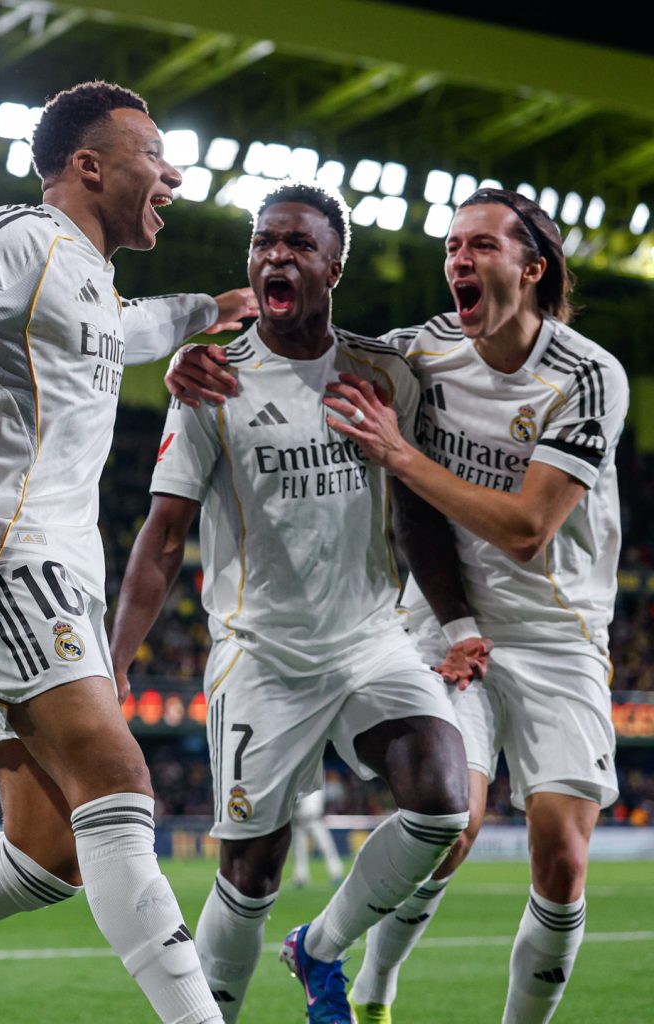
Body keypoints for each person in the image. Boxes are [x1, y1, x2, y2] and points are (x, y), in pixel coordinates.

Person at [0, 79, 257, 1024]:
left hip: (50, 569)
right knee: (122, 777)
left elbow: (119, 328)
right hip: (2, 553)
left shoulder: (86, 273)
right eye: (152, 155)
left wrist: (202, 311)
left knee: (45, 853)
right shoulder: (20, 239)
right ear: (88, 165)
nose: (171, 174)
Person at [111, 181, 477, 1024]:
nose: (276, 255)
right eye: (264, 242)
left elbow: (417, 514)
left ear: (334, 267)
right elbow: (164, 535)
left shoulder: (384, 374)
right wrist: (115, 660)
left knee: (442, 802)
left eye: (299, 244)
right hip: (262, 655)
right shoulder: (210, 382)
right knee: (249, 873)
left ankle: (317, 948)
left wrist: (456, 623)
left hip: (369, 644)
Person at [320, 188, 628, 1024]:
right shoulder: (415, 353)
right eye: (453, 245)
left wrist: (399, 455)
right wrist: (199, 346)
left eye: (482, 245)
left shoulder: (589, 375)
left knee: (562, 857)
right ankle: (373, 989)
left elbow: (528, 530)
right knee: (448, 827)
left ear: (531, 268)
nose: (460, 258)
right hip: (448, 627)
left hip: (558, 635)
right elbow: (300, 349)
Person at [291, 788, 344, 888]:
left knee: (327, 848)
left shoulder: (317, 782)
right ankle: (300, 877)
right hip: (299, 821)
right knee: (299, 852)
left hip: (315, 819)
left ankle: (336, 873)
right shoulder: (298, 782)